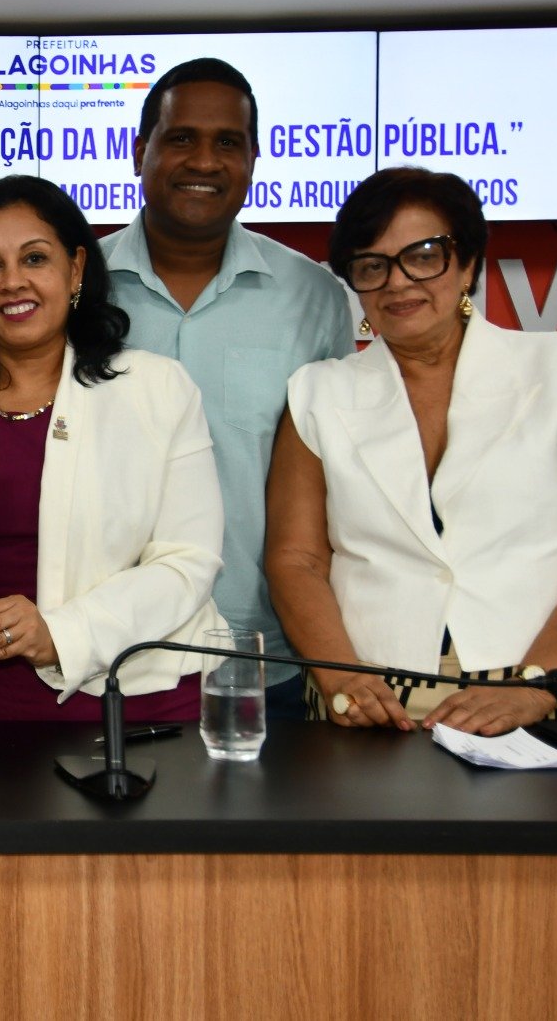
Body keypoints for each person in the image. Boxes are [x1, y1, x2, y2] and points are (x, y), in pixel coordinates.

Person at [265, 167, 557, 736]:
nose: (398, 282)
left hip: (548, 685)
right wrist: (342, 678)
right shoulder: (316, 392)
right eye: (372, 265)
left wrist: (535, 685)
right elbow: (296, 558)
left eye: (423, 256)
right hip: (374, 699)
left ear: (468, 264)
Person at [0, 175, 227, 721]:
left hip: (124, 699)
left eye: (35, 258)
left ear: (76, 269)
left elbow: (187, 562)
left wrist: (61, 634)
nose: (12, 282)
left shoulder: (158, 389)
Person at [100, 58, 354, 718]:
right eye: (181, 138)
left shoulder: (314, 297)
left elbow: (343, 483)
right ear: (139, 151)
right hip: (102, 651)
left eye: (228, 143)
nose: (205, 161)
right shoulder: (75, 286)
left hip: (265, 655)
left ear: (253, 160)